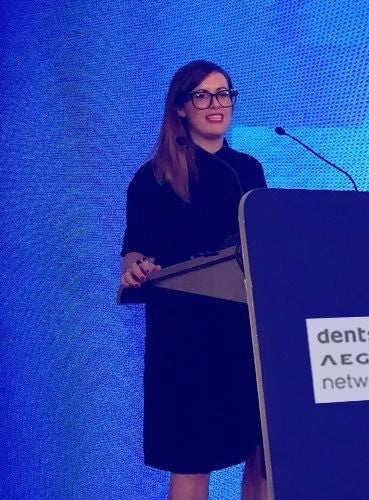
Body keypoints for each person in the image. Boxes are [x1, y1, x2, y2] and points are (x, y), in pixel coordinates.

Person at [120, 60, 268, 500]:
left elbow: (266, 243)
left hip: (245, 330)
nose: (216, 103)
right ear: (181, 107)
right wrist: (135, 266)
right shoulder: (153, 176)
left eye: (223, 93)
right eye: (202, 95)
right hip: (185, 336)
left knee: (262, 453)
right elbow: (135, 249)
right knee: (190, 461)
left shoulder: (247, 170)